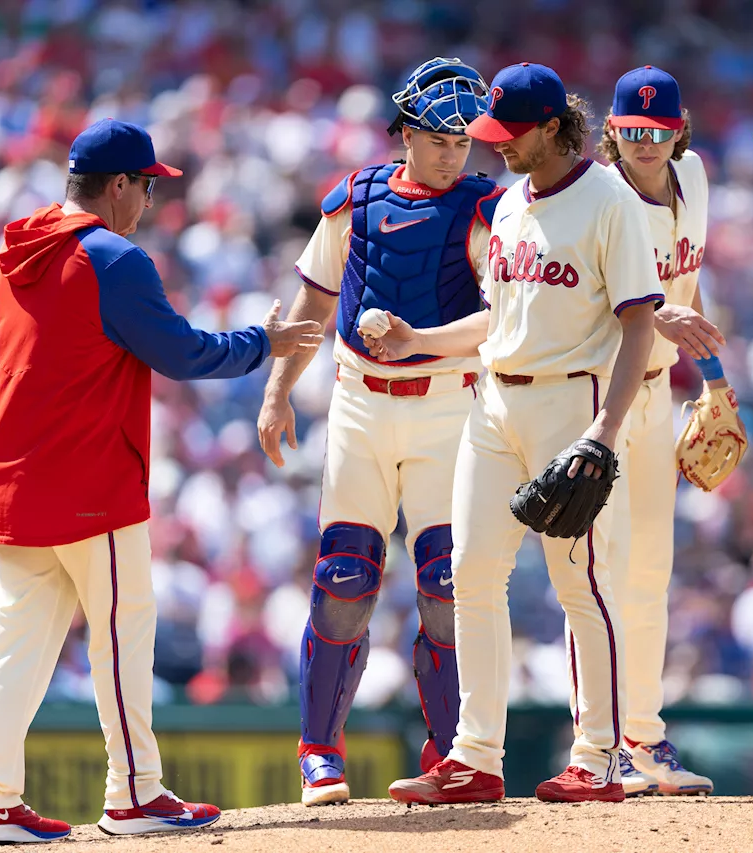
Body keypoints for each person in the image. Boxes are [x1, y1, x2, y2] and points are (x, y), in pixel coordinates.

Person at [0, 118, 322, 844]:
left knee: (18, 643)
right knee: (124, 634)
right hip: (87, 481)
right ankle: (135, 792)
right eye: (146, 186)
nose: (150, 202)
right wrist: (264, 342)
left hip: (13, 479)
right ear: (118, 185)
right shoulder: (111, 257)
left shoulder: (19, 250)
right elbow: (182, 352)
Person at [375, 62, 664, 804]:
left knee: (583, 584)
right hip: (495, 403)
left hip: (575, 405)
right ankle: (475, 754)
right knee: (469, 573)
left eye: (509, 133)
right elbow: (497, 323)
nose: (494, 145)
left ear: (552, 128)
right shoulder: (508, 204)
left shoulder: (609, 202)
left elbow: (640, 326)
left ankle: (599, 753)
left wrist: (604, 432)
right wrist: (421, 339)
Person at [255, 57, 501, 807]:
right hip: (360, 403)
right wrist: (275, 394)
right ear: (404, 132)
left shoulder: (487, 208)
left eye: (463, 140)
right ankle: (320, 751)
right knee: (344, 580)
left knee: (447, 587)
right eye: (437, 138)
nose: (452, 151)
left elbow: (501, 320)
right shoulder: (356, 198)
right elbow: (311, 300)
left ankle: (452, 751)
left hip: (445, 409)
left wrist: (418, 339)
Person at [592, 64, 718, 797]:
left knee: (650, 574)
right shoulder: (598, 199)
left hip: (658, 392)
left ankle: (644, 733)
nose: (645, 141)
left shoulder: (692, 177)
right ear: (611, 131)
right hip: (600, 397)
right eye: (631, 130)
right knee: (601, 573)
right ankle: (598, 742)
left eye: (657, 130)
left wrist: (712, 379)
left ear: (679, 130)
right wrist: (652, 315)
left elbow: (688, 286)